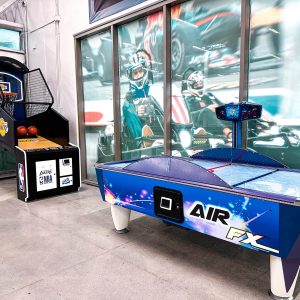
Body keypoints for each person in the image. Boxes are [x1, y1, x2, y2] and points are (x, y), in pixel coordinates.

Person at [181, 69, 232, 140]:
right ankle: (229, 133)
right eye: (196, 85)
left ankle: (246, 129)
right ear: (190, 85)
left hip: (216, 121)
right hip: (200, 124)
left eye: (200, 84)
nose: (199, 85)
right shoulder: (187, 99)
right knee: (207, 112)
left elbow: (221, 106)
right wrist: (207, 109)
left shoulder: (209, 95)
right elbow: (189, 116)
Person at [122, 52, 154, 149]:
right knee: (127, 106)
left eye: (140, 71)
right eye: (135, 73)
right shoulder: (130, 98)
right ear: (131, 76)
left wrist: (149, 110)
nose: (139, 75)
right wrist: (137, 113)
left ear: (145, 71)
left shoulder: (153, 90)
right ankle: (142, 144)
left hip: (158, 127)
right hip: (139, 133)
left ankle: (192, 134)